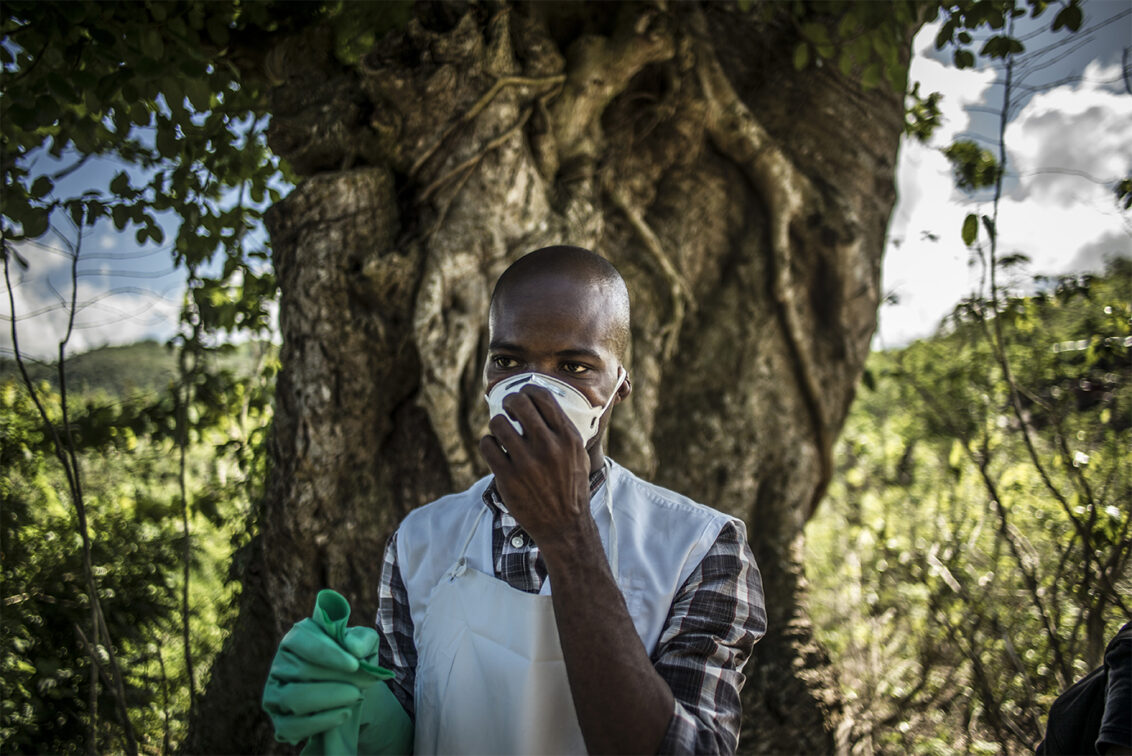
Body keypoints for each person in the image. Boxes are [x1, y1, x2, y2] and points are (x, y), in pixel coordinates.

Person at [266, 246, 766, 755]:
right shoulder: (420, 538)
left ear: (620, 386)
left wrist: (568, 531)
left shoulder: (701, 549)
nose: (535, 390)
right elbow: (412, 719)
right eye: (508, 361)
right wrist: (356, 708)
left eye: (573, 367)